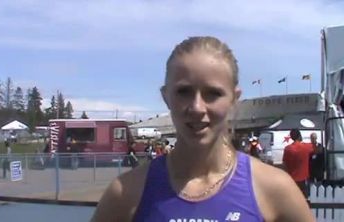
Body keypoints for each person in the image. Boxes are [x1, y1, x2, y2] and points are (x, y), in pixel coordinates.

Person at [91, 36, 315, 221]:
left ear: (234, 100)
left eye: (213, 94)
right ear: (166, 97)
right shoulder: (127, 192)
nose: (197, 108)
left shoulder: (273, 188)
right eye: (184, 92)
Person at [283, 129, 314, 198]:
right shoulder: (306, 147)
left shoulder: (287, 149)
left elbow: (284, 164)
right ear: (299, 136)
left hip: (292, 179)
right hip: (303, 179)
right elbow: (316, 148)